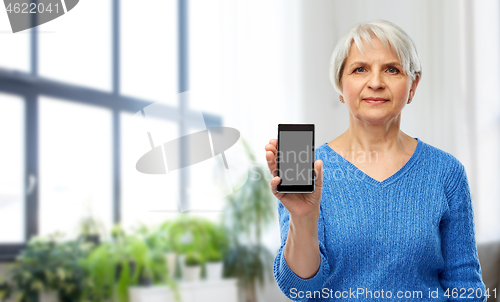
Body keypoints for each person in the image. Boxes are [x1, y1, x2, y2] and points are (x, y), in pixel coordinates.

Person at [265, 20, 486, 301]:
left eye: (392, 70)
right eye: (360, 69)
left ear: (413, 84)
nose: (376, 83)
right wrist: (303, 217)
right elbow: (300, 289)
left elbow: (465, 283)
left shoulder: (446, 171)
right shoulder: (309, 168)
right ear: (340, 85)